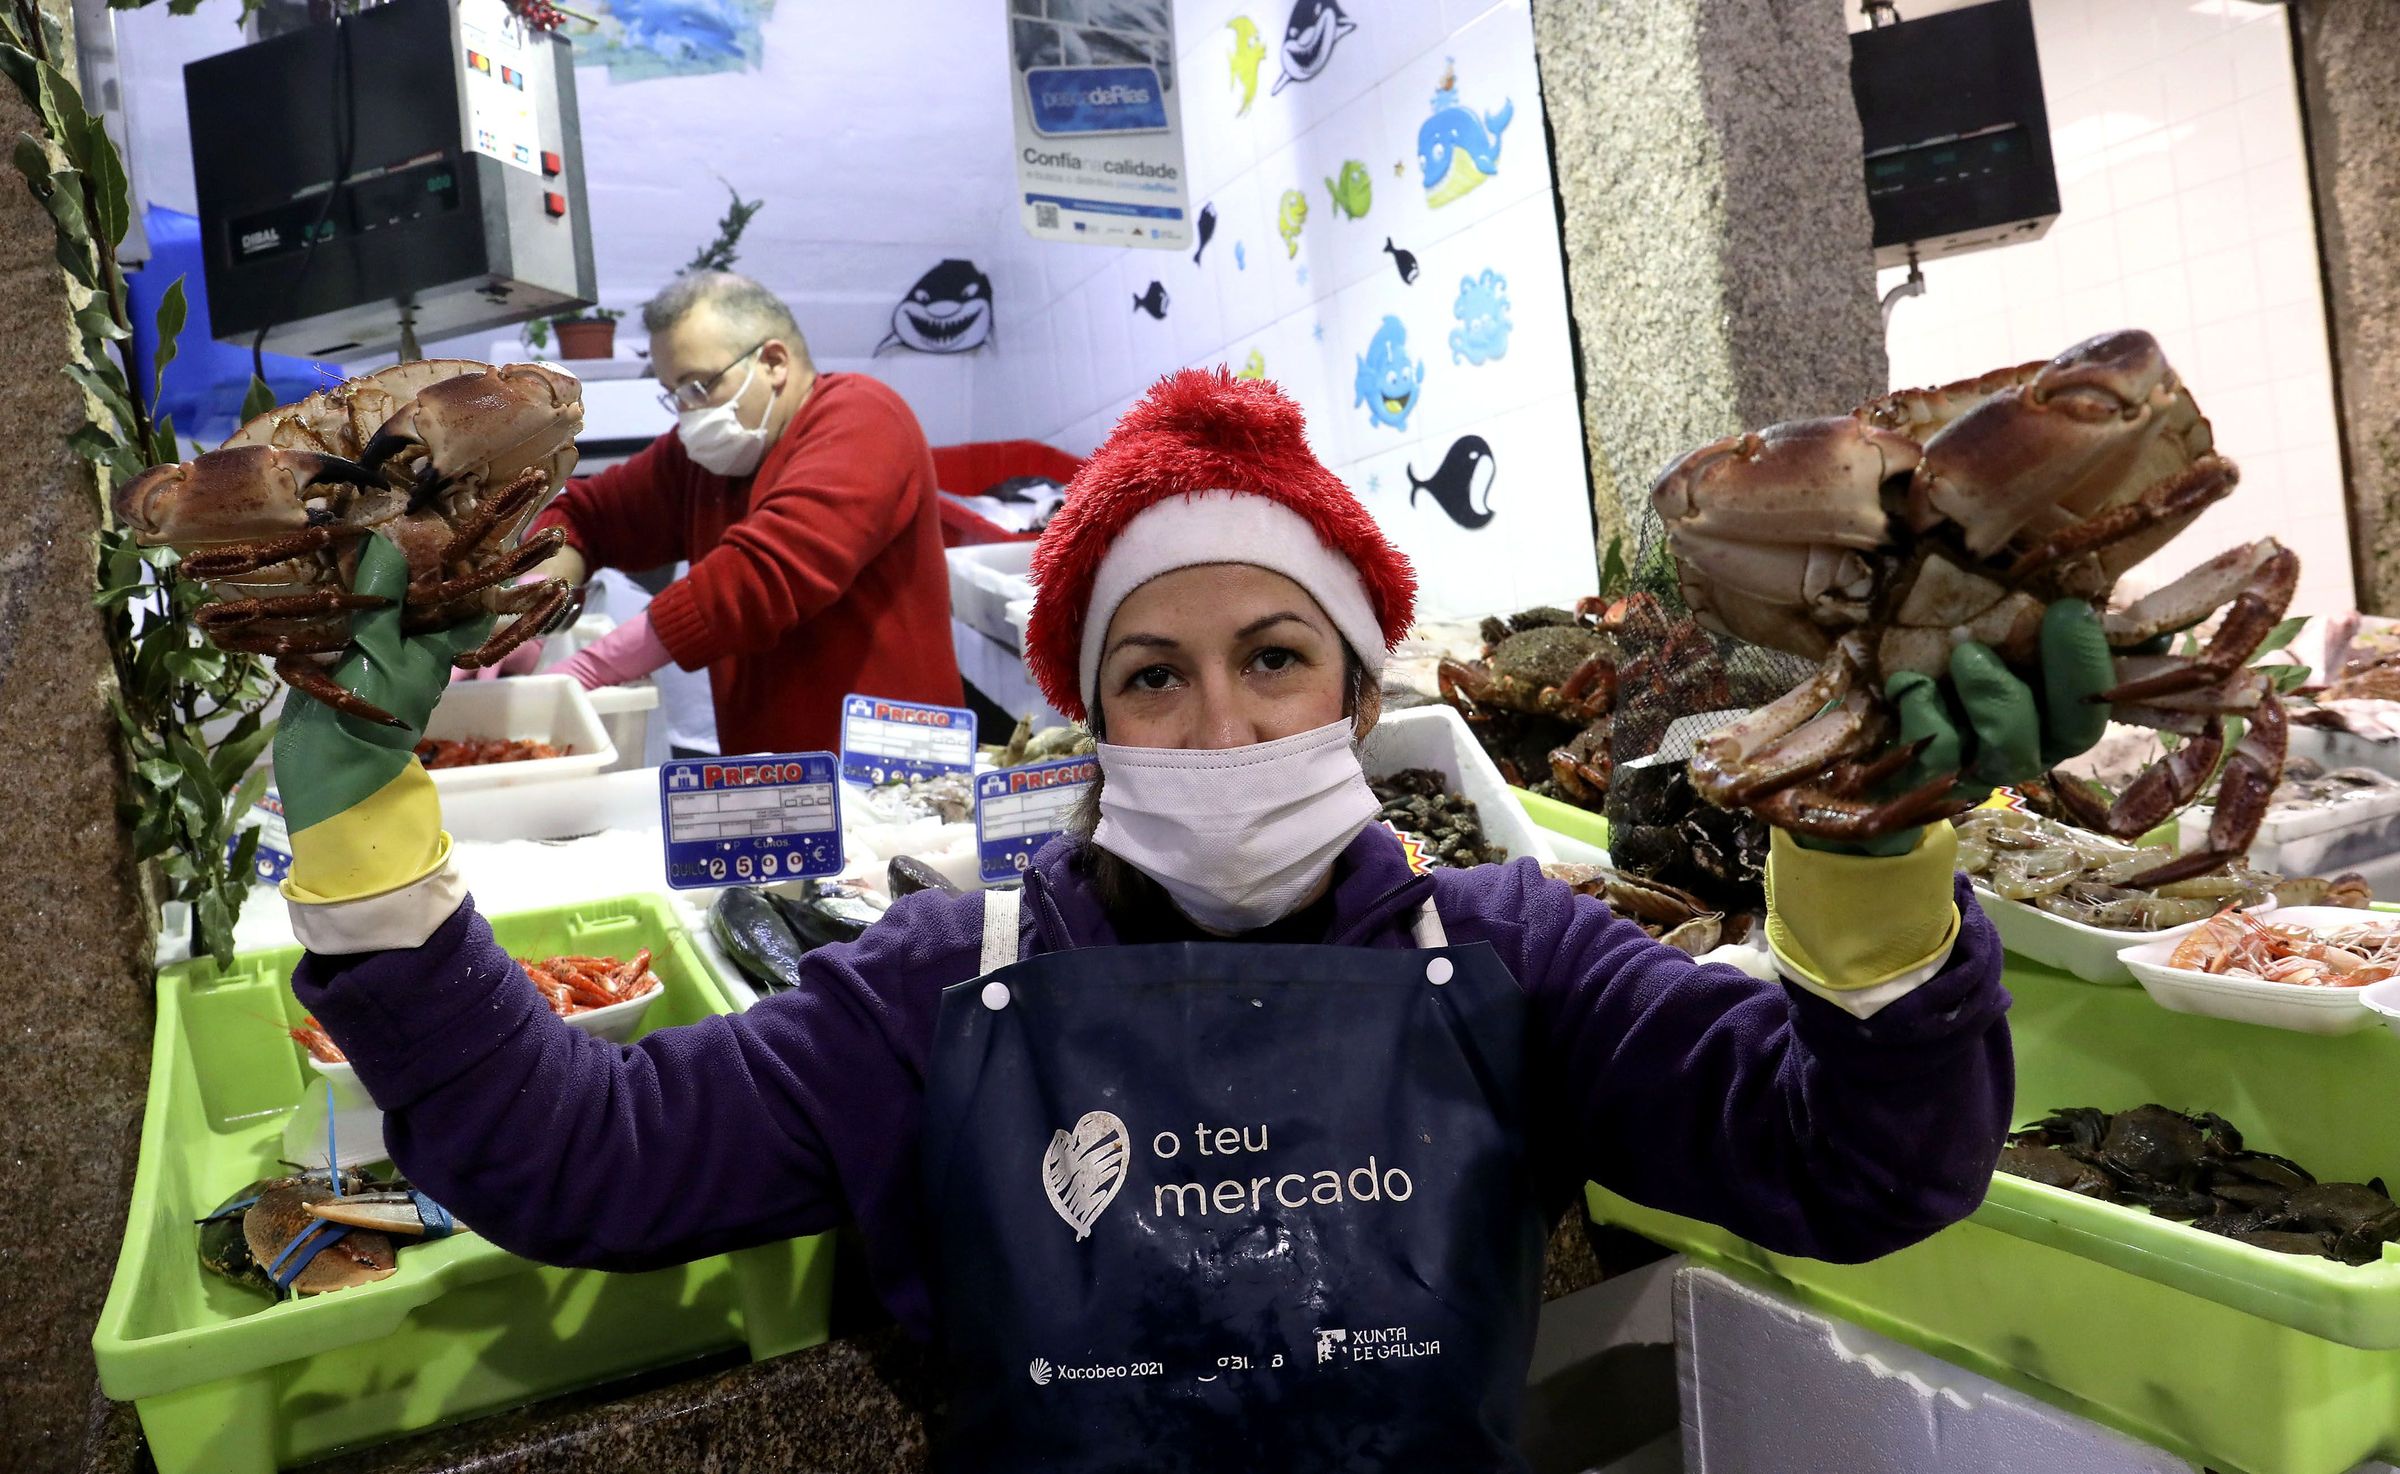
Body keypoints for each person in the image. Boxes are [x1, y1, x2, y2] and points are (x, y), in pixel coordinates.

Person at [273, 370, 2117, 1471]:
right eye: (1153, 673)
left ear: (1354, 685)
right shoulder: (941, 982)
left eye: (1273, 659)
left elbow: (1855, 1164)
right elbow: (579, 1154)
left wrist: (1877, 853)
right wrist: (366, 811)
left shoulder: (1518, 954)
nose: (1220, 720)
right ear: (1084, 709)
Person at [487, 271, 962, 755]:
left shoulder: (864, 419)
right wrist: (535, 601)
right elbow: (587, 515)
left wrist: (597, 666)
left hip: (893, 767)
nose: (688, 412)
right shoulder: (700, 460)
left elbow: (762, 576)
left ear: (774, 362)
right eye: (675, 393)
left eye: (699, 386)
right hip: (774, 772)